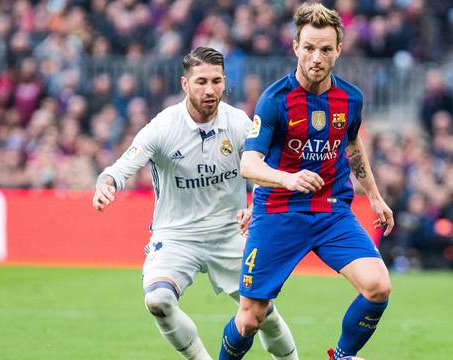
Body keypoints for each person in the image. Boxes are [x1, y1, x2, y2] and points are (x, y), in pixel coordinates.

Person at [92, 47, 298, 360]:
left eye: (216, 81)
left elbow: (263, 171)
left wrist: (256, 203)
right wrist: (105, 185)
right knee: (158, 300)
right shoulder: (163, 126)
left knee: (262, 314)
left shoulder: (239, 123)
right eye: (201, 81)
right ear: (185, 84)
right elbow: (120, 168)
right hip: (176, 235)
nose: (210, 89)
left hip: (230, 232)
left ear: (225, 81)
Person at [218, 4, 394, 360]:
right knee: (251, 319)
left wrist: (375, 197)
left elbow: (352, 143)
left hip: (331, 212)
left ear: (338, 50)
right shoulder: (274, 100)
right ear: (295, 46)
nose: (317, 57)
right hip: (279, 211)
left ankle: (342, 356)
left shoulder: (350, 99)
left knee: (378, 286)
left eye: (326, 49)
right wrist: (288, 179)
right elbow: (249, 164)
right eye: (310, 47)